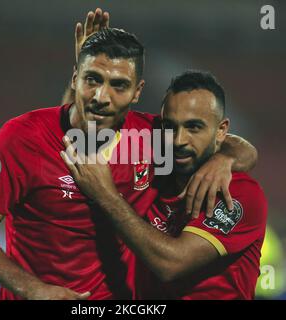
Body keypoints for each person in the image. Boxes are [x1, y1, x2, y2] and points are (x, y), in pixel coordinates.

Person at [0, 9, 257, 300]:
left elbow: (231, 144)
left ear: (137, 92)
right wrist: (32, 289)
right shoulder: (21, 138)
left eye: (118, 85)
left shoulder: (151, 137)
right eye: (93, 80)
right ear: (75, 78)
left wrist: (224, 158)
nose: (102, 97)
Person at [61, 70, 267, 300]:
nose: (179, 140)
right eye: (170, 126)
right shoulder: (152, 168)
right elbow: (78, 135)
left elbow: (171, 264)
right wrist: (84, 79)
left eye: (194, 127)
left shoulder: (237, 192)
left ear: (221, 130)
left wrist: (107, 195)